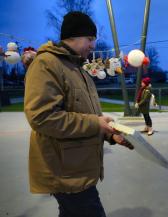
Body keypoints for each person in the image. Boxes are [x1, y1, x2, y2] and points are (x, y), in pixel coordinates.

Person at [24, 11, 133, 217]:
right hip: (64, 171)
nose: (93, 45)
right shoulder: (46, 64)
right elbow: (42, 117)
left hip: (78, 168)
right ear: (72, 36)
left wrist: (109, 133)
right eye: (90, 39)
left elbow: (87, 114)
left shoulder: (80, 70)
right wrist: (96, 124)